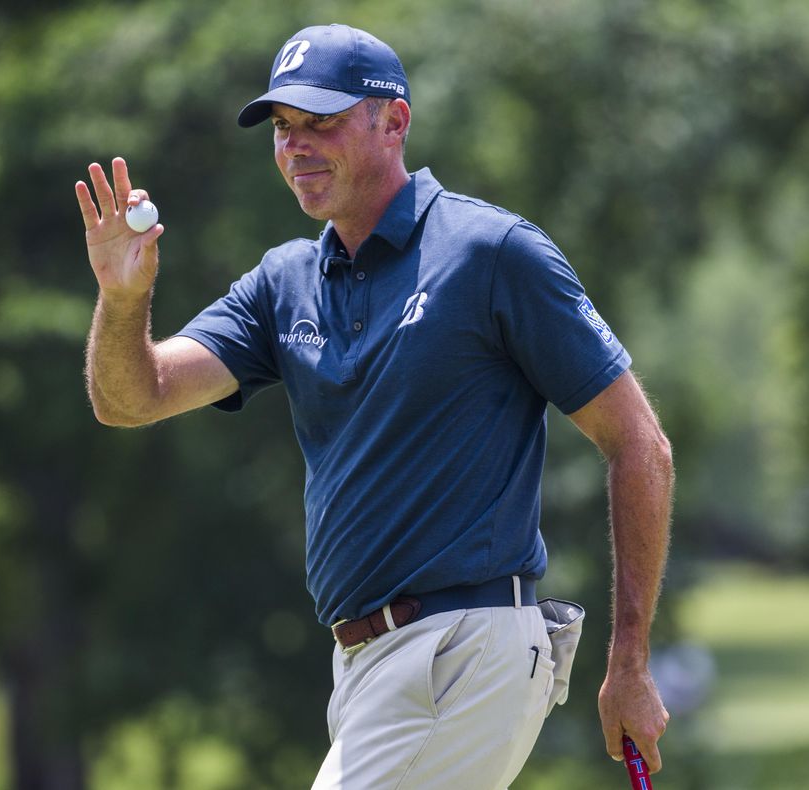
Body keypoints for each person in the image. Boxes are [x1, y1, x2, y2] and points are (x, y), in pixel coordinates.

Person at [76, 23, 673, 789]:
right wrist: (124, 300)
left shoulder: (490, 253)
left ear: (394, 122)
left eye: (320, 121)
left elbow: (639, 445)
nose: (296, 146)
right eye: (283, 130)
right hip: (365, 666)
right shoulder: (283, 281)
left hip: (464, 648)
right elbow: (133, 399)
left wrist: (629, 663)